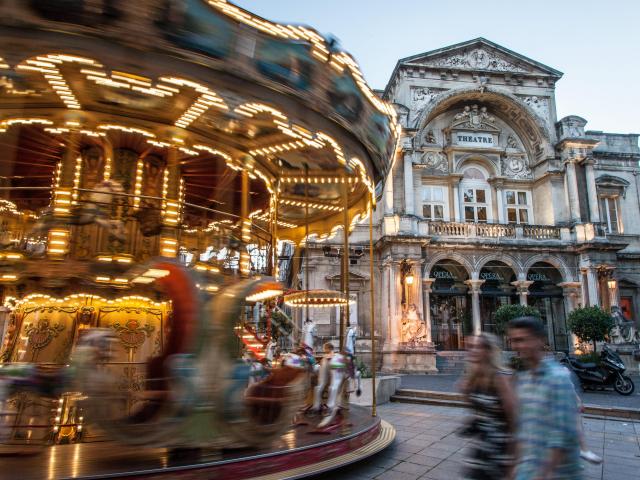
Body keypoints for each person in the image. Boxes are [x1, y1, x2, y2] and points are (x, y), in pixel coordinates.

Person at [508, 317, 581, 479]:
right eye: (513, 341)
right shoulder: (523, 379)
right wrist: (516, 465)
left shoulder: (558, 378)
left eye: (522, 340)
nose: (516, 346)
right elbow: (523, 428)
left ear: (539, 340)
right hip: (528, 470)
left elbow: (561, 436)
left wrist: (543, 474)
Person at [458, 333, 516, 480]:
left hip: (501, 447)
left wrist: (513, 462)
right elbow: (476, 410)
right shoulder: (474, 377)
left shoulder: (501, 377)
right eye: (471, 347)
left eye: (479, 347)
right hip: (482, 446)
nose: (473, 350)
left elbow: (515, 420)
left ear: (489, 351)